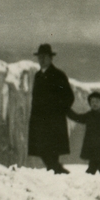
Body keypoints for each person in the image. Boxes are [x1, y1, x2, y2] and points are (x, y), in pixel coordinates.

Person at [27, 43, 74, 174]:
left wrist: (57, 111)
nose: (42, 60)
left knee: (52, 149)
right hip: (39, 120)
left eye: (45, 57)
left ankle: (56, 171)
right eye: (40, 57)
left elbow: (69, 97)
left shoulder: (58, 75)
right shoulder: (38, 76)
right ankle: (57, 169)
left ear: (51, 58)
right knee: (42, 149)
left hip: (54, 121)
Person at [66, 91, 100, 175]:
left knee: (95, 167)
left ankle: (90, 179)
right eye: (92, 102)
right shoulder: (89, 115)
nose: (94, 104)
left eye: (97, 101)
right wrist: (67, 110)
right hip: (92, 147)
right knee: (98, 166)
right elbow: (78, 118)